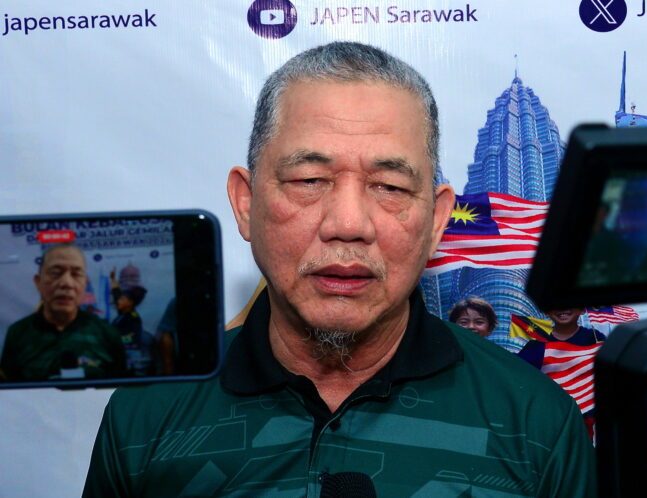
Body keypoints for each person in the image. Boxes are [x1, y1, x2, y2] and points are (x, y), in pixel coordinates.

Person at [84, 42, 596, 497]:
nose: (348, 225)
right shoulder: (148, 414)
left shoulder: (535, 423)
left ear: (438, 220)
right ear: (246, 203)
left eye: (390, 187)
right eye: (309, 180)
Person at [0, 244, 126, 381]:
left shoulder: (107, 334)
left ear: (85, 284)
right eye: (56, 273)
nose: (66, 283)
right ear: (38, 282)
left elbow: (120, 389)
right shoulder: (18, 333)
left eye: (76, 274)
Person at [517, 308, 606, 442]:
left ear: (581, 310)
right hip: (548, 418)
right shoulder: (538, 342)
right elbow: (517, 371)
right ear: (547, 311)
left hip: (584, 421)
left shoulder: (594, 338)